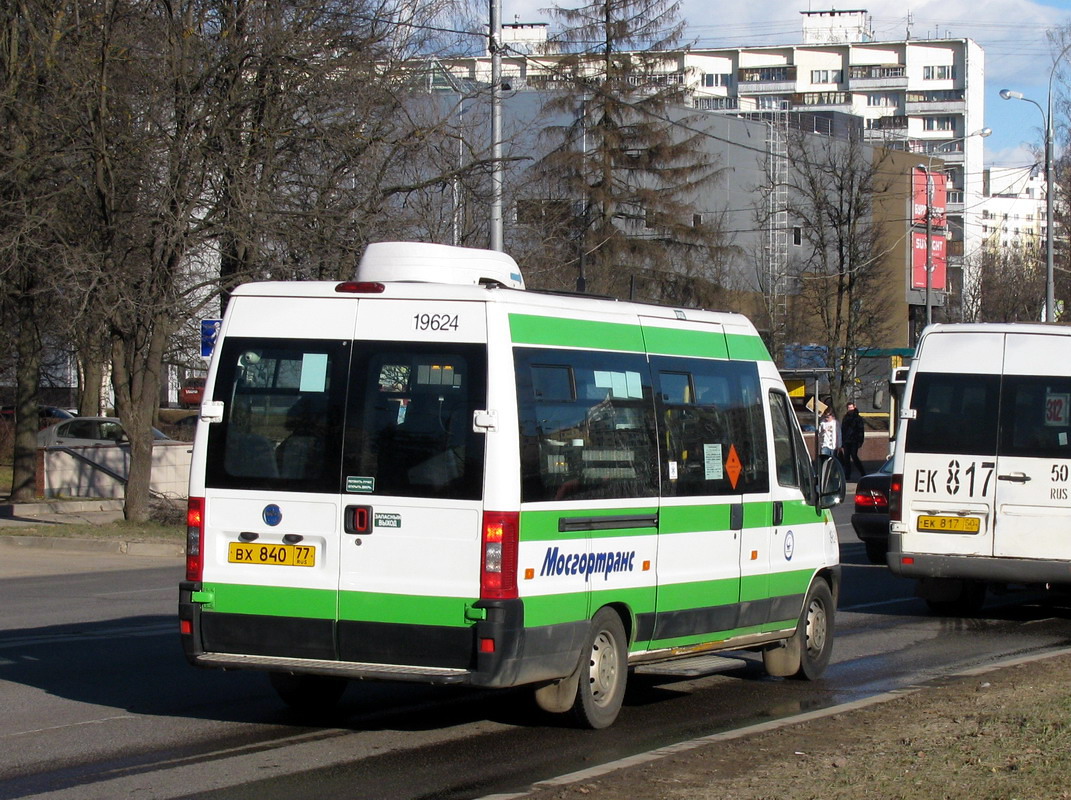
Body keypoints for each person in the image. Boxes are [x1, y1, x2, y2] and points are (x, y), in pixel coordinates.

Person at [841, 401, 866, 480]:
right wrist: (842, 440)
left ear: (854, 407)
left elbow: (861, 430)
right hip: (846, 441)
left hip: (854, 440)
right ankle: (847, 474)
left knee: (854, 456)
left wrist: (860, 441)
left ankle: (862, 472)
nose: (850, 409)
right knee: (846, 458)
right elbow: (843, 429)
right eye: (849, 408)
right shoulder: (845, 417)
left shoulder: (858, 418)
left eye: (851, 407)